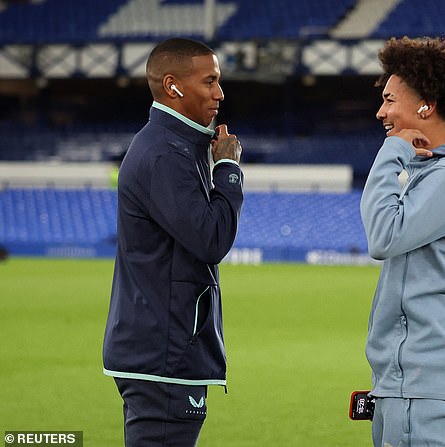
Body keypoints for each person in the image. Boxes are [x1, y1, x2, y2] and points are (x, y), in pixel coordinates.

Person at [102, 37, 244, 446]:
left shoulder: (178, 146)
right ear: (172, 85)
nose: (219, 93)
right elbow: (211, 239)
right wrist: (229, 172)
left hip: (163, 350)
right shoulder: (165, 153)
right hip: (163, 356)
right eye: (209, 81)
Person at [360, 36, 445, 447]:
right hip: (406, 381)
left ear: (426, 105)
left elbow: (383, 235)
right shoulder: (433, 172)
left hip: (424, 381)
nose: (381, 111)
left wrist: (391, 151)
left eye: (390, 100)